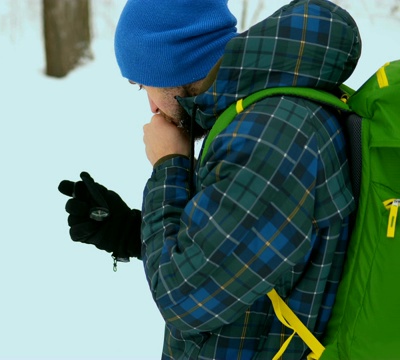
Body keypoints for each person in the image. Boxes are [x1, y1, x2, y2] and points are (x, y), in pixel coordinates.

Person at [58, 0, 360, 358]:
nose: (152, 108)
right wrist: (132, 232)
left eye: (143, 85)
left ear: (175, 61)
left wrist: (169, 165)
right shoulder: (252, 118)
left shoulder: (268, 136)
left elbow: (184, 299)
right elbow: (238, 254)